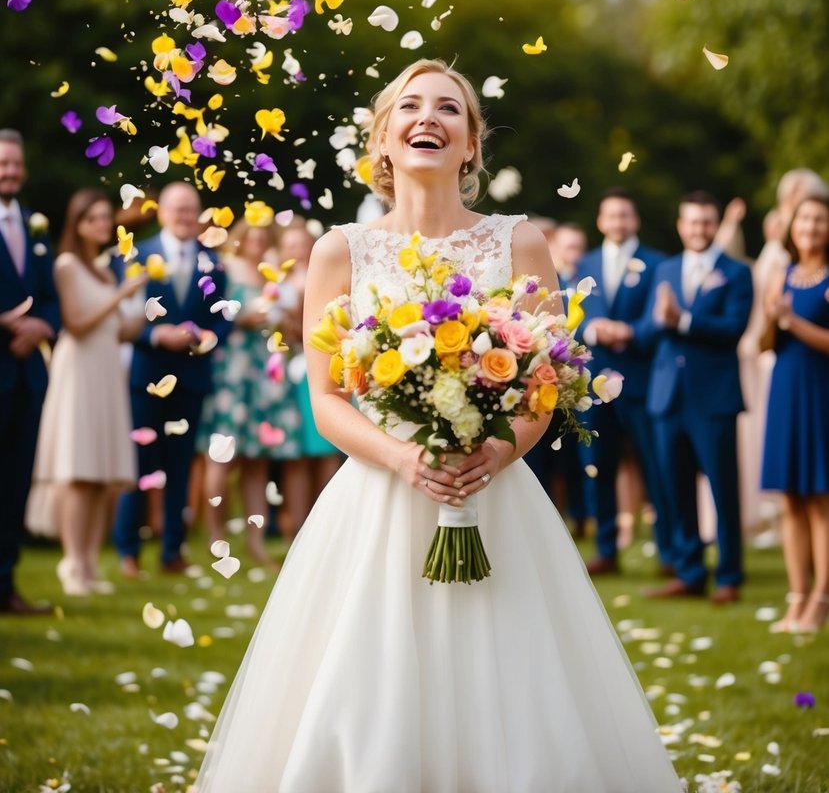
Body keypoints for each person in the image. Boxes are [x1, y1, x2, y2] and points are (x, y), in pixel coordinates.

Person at [194, 59, 682, 793]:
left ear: (471, 147)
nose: (429, 117)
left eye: (449, 109)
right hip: (378, 497)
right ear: (383, 142)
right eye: (410, 107)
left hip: (496, 494)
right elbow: (325, 399)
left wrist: (495, 449)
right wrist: (399, 458)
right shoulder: (340, 251)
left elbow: (542, 384)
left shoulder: (518, 244)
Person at [26, 190, 145, 595]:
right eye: (92, 218)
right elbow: (75, 323)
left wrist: (143, 308)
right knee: (78, 471)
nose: (102, 224)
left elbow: (122, 330)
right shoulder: (67, 266)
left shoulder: (108, 272)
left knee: (102, 475)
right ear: (76, 225)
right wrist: (121, 297)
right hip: (78, 370)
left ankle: (91, 562)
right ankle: (72, 562)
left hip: (107, 369)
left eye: (104, 217)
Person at [113, 181, 231, 576]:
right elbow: (120, 318)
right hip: (146, 374)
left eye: (189, 210)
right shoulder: (136, 255)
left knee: (180, 466)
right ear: (161, 211)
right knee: (140, 465)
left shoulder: (214, 263)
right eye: (176, 209)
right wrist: (154, 334)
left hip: (192, 376)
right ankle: (128, 550)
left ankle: (172, 552)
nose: (183, 217)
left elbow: (222, 318)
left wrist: (204, 338)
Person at [641, 191, 753, 603]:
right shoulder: (666, 268)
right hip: (667, 396)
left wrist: (683, 319)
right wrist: (647, 324)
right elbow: (653, 329)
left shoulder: (736, 273)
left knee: (724, 490)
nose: (699, 229)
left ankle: (729, 576)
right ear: (680, 225)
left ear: (715, 223)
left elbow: (733, 328)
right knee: (675, 488)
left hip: (714, 398)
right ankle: (690, 572)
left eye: (706, 221)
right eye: (692, 222)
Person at [575, 189, 670, 574]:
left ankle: (670, 552)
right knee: (598, 465)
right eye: (611, 216)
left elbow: (658, 320)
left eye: (624, 215)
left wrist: (628, 332)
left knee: (655, 467)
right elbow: (571, 315)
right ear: (600, 221)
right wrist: (595, 330)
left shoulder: (656, 263)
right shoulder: (585, 262)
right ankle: (607, 548)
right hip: (595, 385)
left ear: (635, 220)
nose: (617, 222)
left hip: (641, 381)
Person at [197, 217, 286, 566]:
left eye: (265, 238)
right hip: (231, 370)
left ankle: (256, 542)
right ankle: (215, 536)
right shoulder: (226, 269)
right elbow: (209, 314)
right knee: (221, 455)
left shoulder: (271, 273)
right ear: (242, 238)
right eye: (254, 237)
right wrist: (240, 319)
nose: (259, 243)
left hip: (262, 371)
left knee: (256, 461)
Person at [760, 195, 829, 633]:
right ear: (793, 226)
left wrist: (791, 319)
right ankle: (796, 596)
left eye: (820, 219)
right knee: (790, 498)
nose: (811, 225)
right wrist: (772, 316)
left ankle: (820, 600)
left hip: (820, 390)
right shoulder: (779, 273)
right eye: (805, 218)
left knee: (821, 499)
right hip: (784, 388)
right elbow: (766, 342)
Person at [0, 129, 60, 615]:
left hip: (27, 377)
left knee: (16, 480)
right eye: (3, 164)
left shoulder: (35, 225)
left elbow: (51, 297)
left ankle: (6, 584)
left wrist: (40, 323)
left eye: (16, 164)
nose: (11, 172)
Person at [273, 219, 342, 538]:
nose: (297, 251)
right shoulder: (276, 284)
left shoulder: (325, 276)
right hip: (284, 375)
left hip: (320, 368)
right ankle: (297, 525)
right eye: (290, 246)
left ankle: (328, 524)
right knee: (295, 454)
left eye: (302, 244)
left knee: (327, 449)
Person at [524, 218, 588, 536]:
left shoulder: (581, 280)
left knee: (572, 458)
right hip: (531, 384)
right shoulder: (535, 283)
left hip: (566, 380)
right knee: (539, 460)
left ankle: (579, 516)